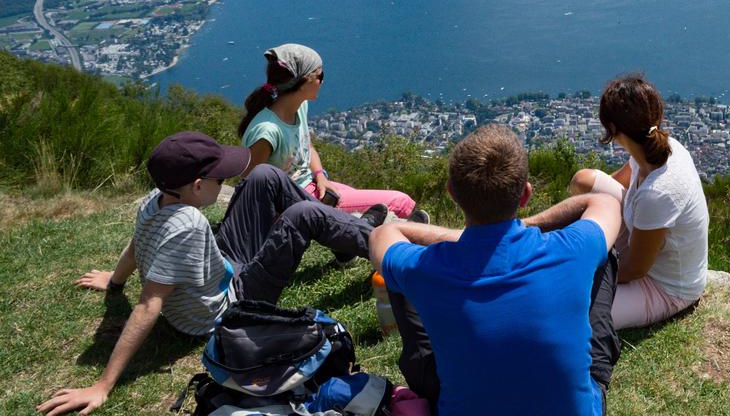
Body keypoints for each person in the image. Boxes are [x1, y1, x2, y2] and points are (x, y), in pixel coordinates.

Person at [39, 132, 387, 416]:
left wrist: (114, 282)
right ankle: (385, 247)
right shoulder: (188, 225)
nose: (226, 181)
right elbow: (149, 304)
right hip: (230, 304)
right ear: (197, 185)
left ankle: (345, 233)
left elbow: (137, 243)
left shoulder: (156, 198)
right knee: (303, 215)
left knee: (264, 175)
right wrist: (102, 386)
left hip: (218, 265)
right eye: (219, 177)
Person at [370, 124, 623, 416]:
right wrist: (516, 229)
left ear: (452, 192)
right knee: (605, 252)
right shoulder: (569, 249)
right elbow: (603, 202)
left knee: (397, 275)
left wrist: (468, 236)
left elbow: (381, 235)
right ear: (525, 194)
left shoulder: (429, 268)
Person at [568, 73, 709, 329]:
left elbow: (635, 269)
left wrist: (579, 272)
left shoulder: (658, 192)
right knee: (584, 181)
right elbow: (619, 183)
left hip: (664, 286)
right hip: (639, 233)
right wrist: (587, 220)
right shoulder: (656, 148)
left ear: (613, 130)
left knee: (570, 309)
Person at [239, 43, 424, 221]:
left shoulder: (299, 108)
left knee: (366, 202)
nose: (323, 81)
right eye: (320, 76)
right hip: (295, 203)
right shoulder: (267, 131)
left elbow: (307, 147)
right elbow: (249, 184)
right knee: (400, 202)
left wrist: (320, 174)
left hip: (313, 187)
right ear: (303, 82)